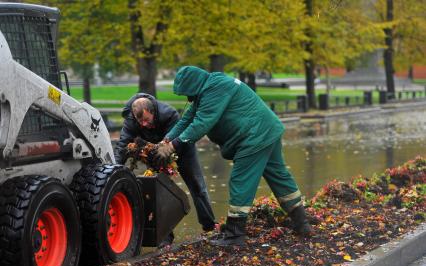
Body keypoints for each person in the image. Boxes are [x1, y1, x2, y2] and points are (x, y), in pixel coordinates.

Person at [154, 66, 313, 247]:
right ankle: (302, 223)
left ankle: (235, 234)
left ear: (194, 86)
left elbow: (202, 122)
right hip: (267, 130)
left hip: (254, 136)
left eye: (188, 93)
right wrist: (166, 140)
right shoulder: (207, 88)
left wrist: (174, 146)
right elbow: (186, 120)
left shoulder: (215, 88)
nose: (187, 98)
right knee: (279, 177)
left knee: (240, 180)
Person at [114, 93, 216, 247]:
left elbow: (180, 138)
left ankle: (209, 226)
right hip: (154, 153)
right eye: (139, 121)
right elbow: (122, 145)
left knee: (197, 186)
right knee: (157, 192)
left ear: (153, 112)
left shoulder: (169, 114)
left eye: (146, 120)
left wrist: (168, 153)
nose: (143, 125)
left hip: (181, 147)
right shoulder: (131, 121)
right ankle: (165, 237)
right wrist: (115, 168)